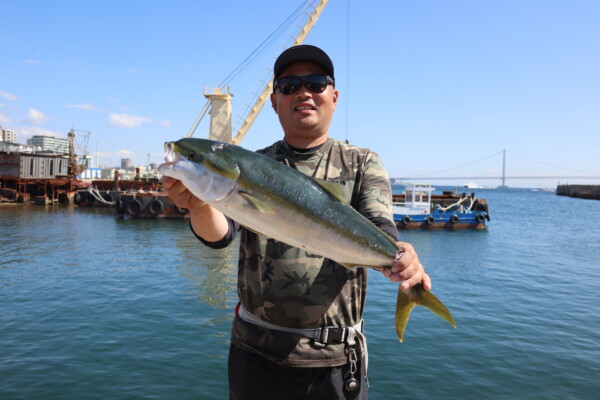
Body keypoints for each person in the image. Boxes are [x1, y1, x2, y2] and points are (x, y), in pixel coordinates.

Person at [162, 44, 431, 400]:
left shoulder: (362, 163)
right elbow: (223, 236)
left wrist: (401, 257)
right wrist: (197, 206)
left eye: (316, 83)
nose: (303, 92)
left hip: (333, 362)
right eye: (289, 86)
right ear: (274, 101)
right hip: (254, 355)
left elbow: (381, 226)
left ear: (334, 97)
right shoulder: (256, 164)